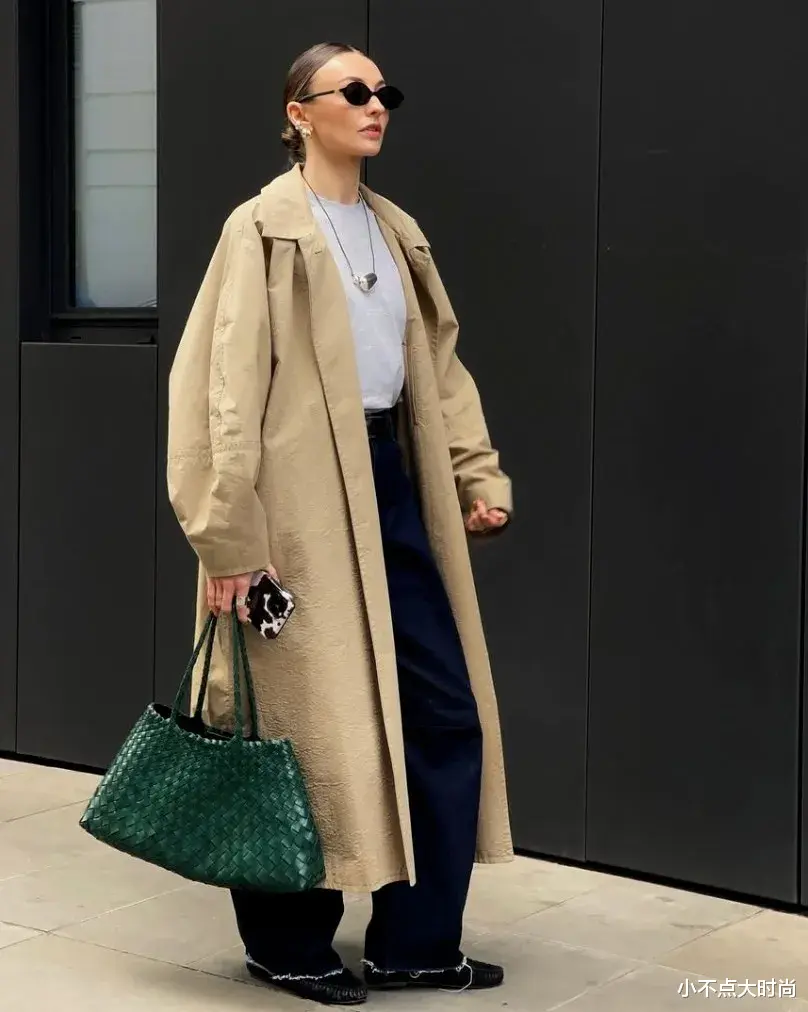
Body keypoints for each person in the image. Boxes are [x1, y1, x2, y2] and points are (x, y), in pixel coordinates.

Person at [167, 40, 514, 1007]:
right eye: (353, 91)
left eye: (383, 91)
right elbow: (218, 390)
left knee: (444, 713)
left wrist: (473, 471)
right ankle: (285, 944)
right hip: (291, 506)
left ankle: (418, 942)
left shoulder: (396, 231)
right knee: (295, 726)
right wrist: (229, 539)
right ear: (298, 113)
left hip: (390, 483)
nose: (375, 105)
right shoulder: (261, 229)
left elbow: (439, 364)